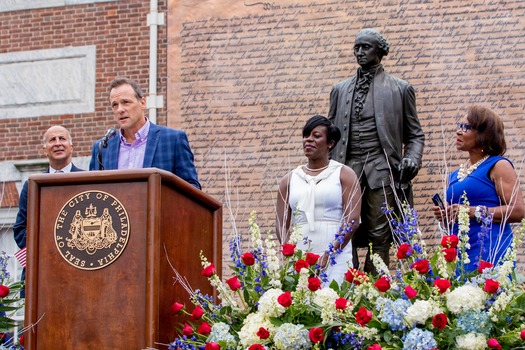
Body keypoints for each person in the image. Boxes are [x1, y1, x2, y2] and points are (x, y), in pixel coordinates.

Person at [327, 28, 425, 274]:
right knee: (343, 229)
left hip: (382, 170)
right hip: (345, 170)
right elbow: (329, 136)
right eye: (356, 47)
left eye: (365, 47)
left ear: (380, 51)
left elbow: (414, 135)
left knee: (379, 233)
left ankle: (374, 293)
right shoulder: (339, 90)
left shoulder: (400, 89)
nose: (359, 52)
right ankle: (346, 287)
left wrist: (412, 159)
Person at [433, 105, 524, 272]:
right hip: (459, 254)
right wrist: (445, 215)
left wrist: (473, 211)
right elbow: (454, 218)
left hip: (489, 251)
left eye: (466, 127)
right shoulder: (453, 176)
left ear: (484, 134)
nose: (459, 132)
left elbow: (518, 211)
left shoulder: (498, 165)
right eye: (459, 126)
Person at [276, 115, 362, 284]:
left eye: (316, 136)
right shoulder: (289, 179)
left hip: (335, 249)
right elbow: (281, 222)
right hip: (301, 250)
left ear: (330, 143)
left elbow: (352, 220)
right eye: (306, 135)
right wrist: (291, 253)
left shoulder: (344, 174)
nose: (309, 140)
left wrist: (329, 254)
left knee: (335, 301)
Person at [89, 77, 201, 190]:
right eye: (115, 105)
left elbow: (192, 189)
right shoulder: (102, 148)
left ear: (142, 103)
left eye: (126, 102)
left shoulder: (173, 140)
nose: (120, 109)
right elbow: (92, 192)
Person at [13, 125, 84, 296]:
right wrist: (45, 250)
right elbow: (20, 229)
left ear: (71, 147)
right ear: (45, 150)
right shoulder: (31, 185)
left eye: (62, 139)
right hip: (41, 274)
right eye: (52, 140)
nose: (58, 143)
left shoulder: (87, 181)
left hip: (79, 273)